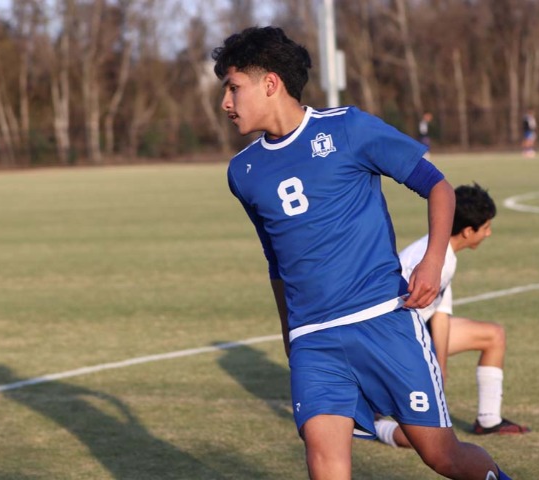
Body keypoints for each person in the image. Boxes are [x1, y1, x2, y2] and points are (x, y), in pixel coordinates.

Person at [212, 26, 511, 480]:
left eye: (233, 87)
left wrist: (432, 262)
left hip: (383, 320)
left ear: (270, 83)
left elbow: (438, 187)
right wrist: (291, 333)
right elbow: (275, 259)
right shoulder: (243, 172)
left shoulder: (348, 128)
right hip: (314, 340)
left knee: (442, 456)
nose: (225, 103)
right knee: (324, 461)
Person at [374, 184, 530, 450]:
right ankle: (373, 425)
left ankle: (489, 420)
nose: (489, 233)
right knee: (427, 438)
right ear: (468, 231)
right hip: (392, 339)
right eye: (486, 227)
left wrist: (441, 365)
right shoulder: (433, 257)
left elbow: (441, 313)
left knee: (493, 335)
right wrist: (424, 365)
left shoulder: (444, 254)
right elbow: (391, 314)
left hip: (418, 332)